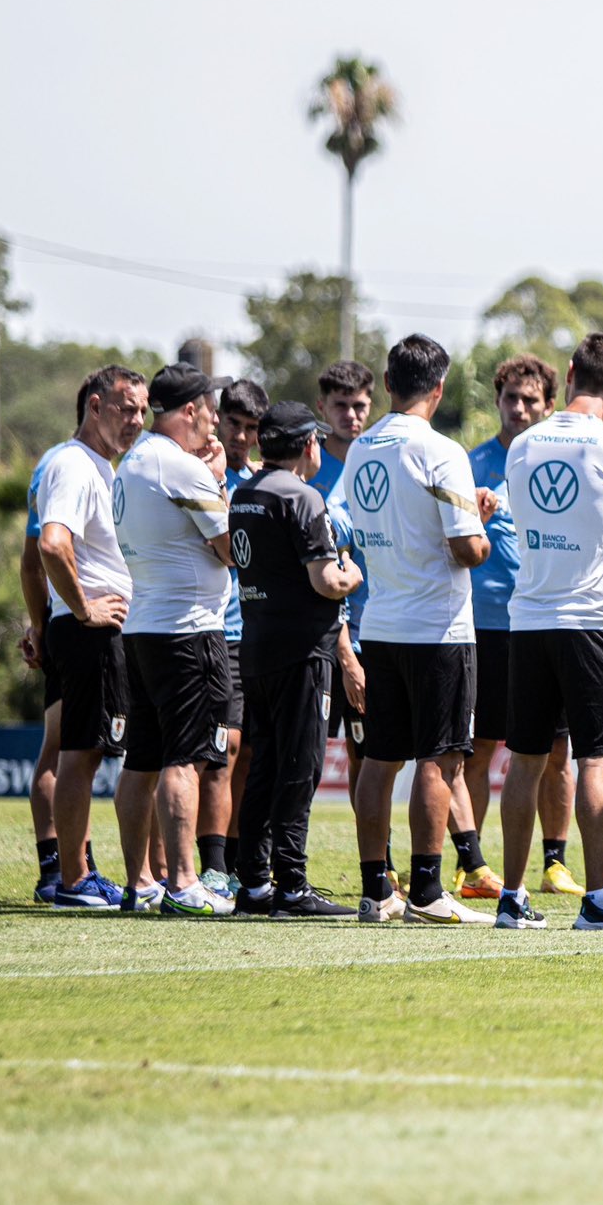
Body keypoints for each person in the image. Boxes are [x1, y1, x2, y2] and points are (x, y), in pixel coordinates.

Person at [500, 331, 603, 930]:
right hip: (593, 624)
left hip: (529, 620)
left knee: (524, 762)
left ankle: (512, 898)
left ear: (568, 374)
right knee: (599, 762)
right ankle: (599, 900)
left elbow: (529, 520)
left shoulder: (522, 446)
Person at [338, 335, 490, 925]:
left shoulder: (359, 451)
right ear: (439, 387)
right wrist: (483, 524)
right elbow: (465, 547)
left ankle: (377, 892)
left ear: (386, 383)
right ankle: (426, 891)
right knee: (440, 761)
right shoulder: (442, 450)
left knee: (380, 760)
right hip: (439, 628)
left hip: (383, 624)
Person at [228, 402, 365, 916]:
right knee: (300, 767)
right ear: (308, 445)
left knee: (263, 765)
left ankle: (255, 883)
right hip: (303, 651)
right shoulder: (304, 498)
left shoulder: (244, 494)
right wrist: (352, 573)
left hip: (258, 645)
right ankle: (291, 885)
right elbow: (326, 581)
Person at [111, 364, 238, 917]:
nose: (213, 427)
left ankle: (141, 882)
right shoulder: (181, 467)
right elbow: (232, 548)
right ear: (189, 411)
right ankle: (184, 883)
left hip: (142, 628)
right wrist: (216, 480)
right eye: (209, 414)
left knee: (141, 760)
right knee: (183, 758)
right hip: (187, 629)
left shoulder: (130, 463)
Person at [465, 354, 580, 899]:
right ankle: (474, 865)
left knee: (557, 750)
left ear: (550, 406)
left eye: (530, 400)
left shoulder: (562, 459)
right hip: (486, 625)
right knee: (481, 747)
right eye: (510, 398)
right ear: (498, 401)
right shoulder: (469, 463)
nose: (519, 409)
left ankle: (555, 863)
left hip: (543, 622)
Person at [37, 366, 145, 909]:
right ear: (96, 406)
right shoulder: (74, 464)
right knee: (82, 752)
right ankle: (74, 881)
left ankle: (79, 875)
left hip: (93, 631)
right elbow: (51, 545)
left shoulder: (100, 466)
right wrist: (82, 609)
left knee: (91, 748)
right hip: (89, 633)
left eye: (143, 410)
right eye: (127, 408)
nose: (137, 420)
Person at [21, 379, 104, 904]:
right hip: (75, 621)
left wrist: (38, 622)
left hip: (61, 618)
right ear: (93, 409)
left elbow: (32, 558)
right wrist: (43, 622)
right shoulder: (64, 464)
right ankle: (62, 867)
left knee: (64, 746)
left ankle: (62, 866)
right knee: (67, 747)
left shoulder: (70, 462)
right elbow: (39, 555)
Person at [198, 376, 267, 900]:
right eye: (233, 424)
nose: (241, 436)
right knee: (221, 748)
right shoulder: (200, 474)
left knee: (248, 751)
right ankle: (211, 865)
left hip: (256, 632)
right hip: (210, 630)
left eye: (251, 428)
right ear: (215, 419)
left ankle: (241, 860)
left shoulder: (262, 481)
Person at [311, 359, 376, 861]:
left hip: (380, 627)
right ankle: (286, 866)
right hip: (324, 633)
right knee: (307, 758)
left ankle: (378, 862)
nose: (351, 416)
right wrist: (343, 644)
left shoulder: (379, 461)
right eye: (341, 406)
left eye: (359, 406)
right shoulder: (310, 472)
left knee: (369, 755)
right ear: (322, 408)